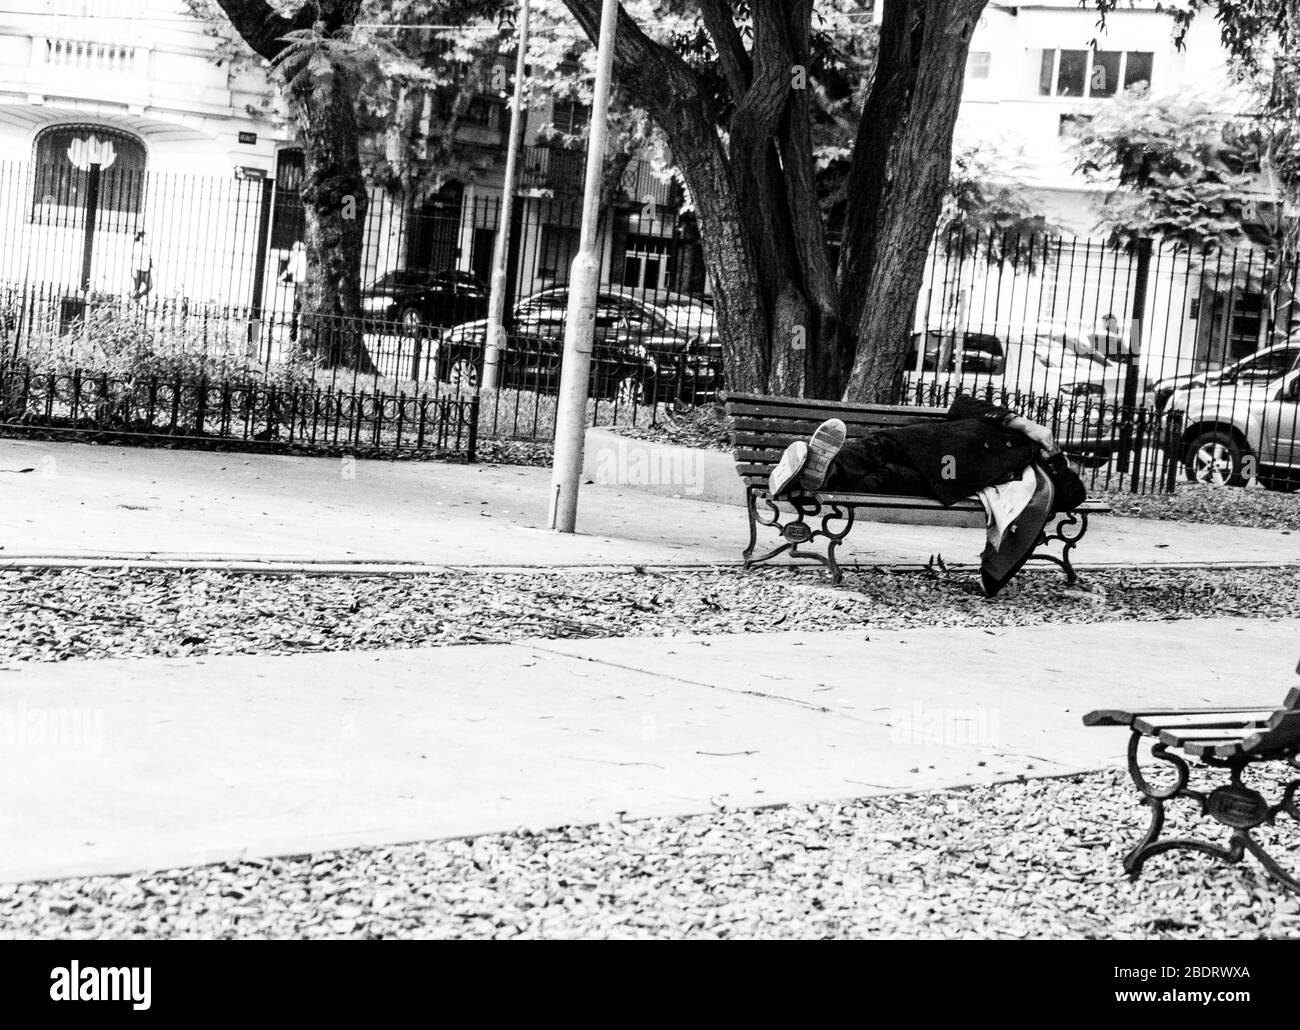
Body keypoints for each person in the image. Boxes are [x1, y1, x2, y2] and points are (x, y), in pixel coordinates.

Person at [768, 394, 1087, 596]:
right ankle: (810, 476)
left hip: (946, 478)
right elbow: (961, 404)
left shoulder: (1042, 473)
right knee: (880, 448)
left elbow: (1074, 495)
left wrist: (1055, 457)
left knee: (886, 477)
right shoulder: (1013, 428)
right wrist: (1024, 423)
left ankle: (806, 478)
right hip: (926, 445)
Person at [280, 240, 308, 341]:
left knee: (297, 307)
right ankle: (299, 329)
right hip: (306, 283)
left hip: (299, 284)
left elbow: (290, 269)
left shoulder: (298, 257)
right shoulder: (307, 257)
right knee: (302, 306)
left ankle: (293, 333)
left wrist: (280, 278)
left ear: (296, 249)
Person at [130, 230, 153, 301]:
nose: (147, 240)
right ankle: (132, 300)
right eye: (145, 238)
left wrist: (154, 268)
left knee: (150, 286)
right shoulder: (137, 246)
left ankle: (138, 296)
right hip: (139, 270)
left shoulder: (147, 247)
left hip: (146, 270)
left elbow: (149, 258)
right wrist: (133, 271)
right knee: (137, 288)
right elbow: (133, 259)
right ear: (141, 238)